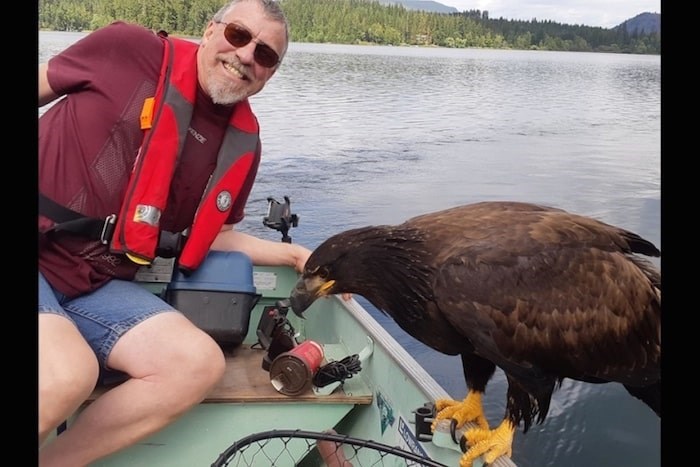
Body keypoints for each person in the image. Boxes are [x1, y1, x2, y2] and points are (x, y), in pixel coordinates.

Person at [38, 1, 311, 465]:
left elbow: (208, 238)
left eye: (265, 55)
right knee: (68, 373)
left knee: (197, 364)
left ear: (270, 74)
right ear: (210, 31)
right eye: (239, 35)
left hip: (95, 284)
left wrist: (295, 257)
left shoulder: (244, 143)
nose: (246, 56)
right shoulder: (128, 49)